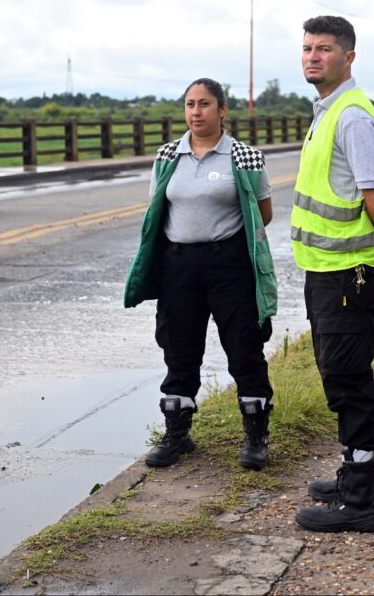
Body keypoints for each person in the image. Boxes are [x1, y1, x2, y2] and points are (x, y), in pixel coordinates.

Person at [291, 15, 374, 533]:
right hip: (329, 269)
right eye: (306, 48)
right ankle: (365, 476)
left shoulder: (352, 117)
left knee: (348, 381)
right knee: (341, 375)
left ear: (348, 57)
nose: (312, 56)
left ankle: (360, 501)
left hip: (350, 275)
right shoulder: (327, 110)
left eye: (324, 48)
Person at [124, 77, 278, 471]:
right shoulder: (166, 156)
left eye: (205, 104)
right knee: (178, 347)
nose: (196, 112)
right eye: (190, 104)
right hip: (178, 265)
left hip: (229, 264)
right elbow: (159, 208)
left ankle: (256, 439)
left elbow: (263, 214)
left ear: (222, 110)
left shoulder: (244, 157)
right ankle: (177, 435)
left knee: (244, 348)